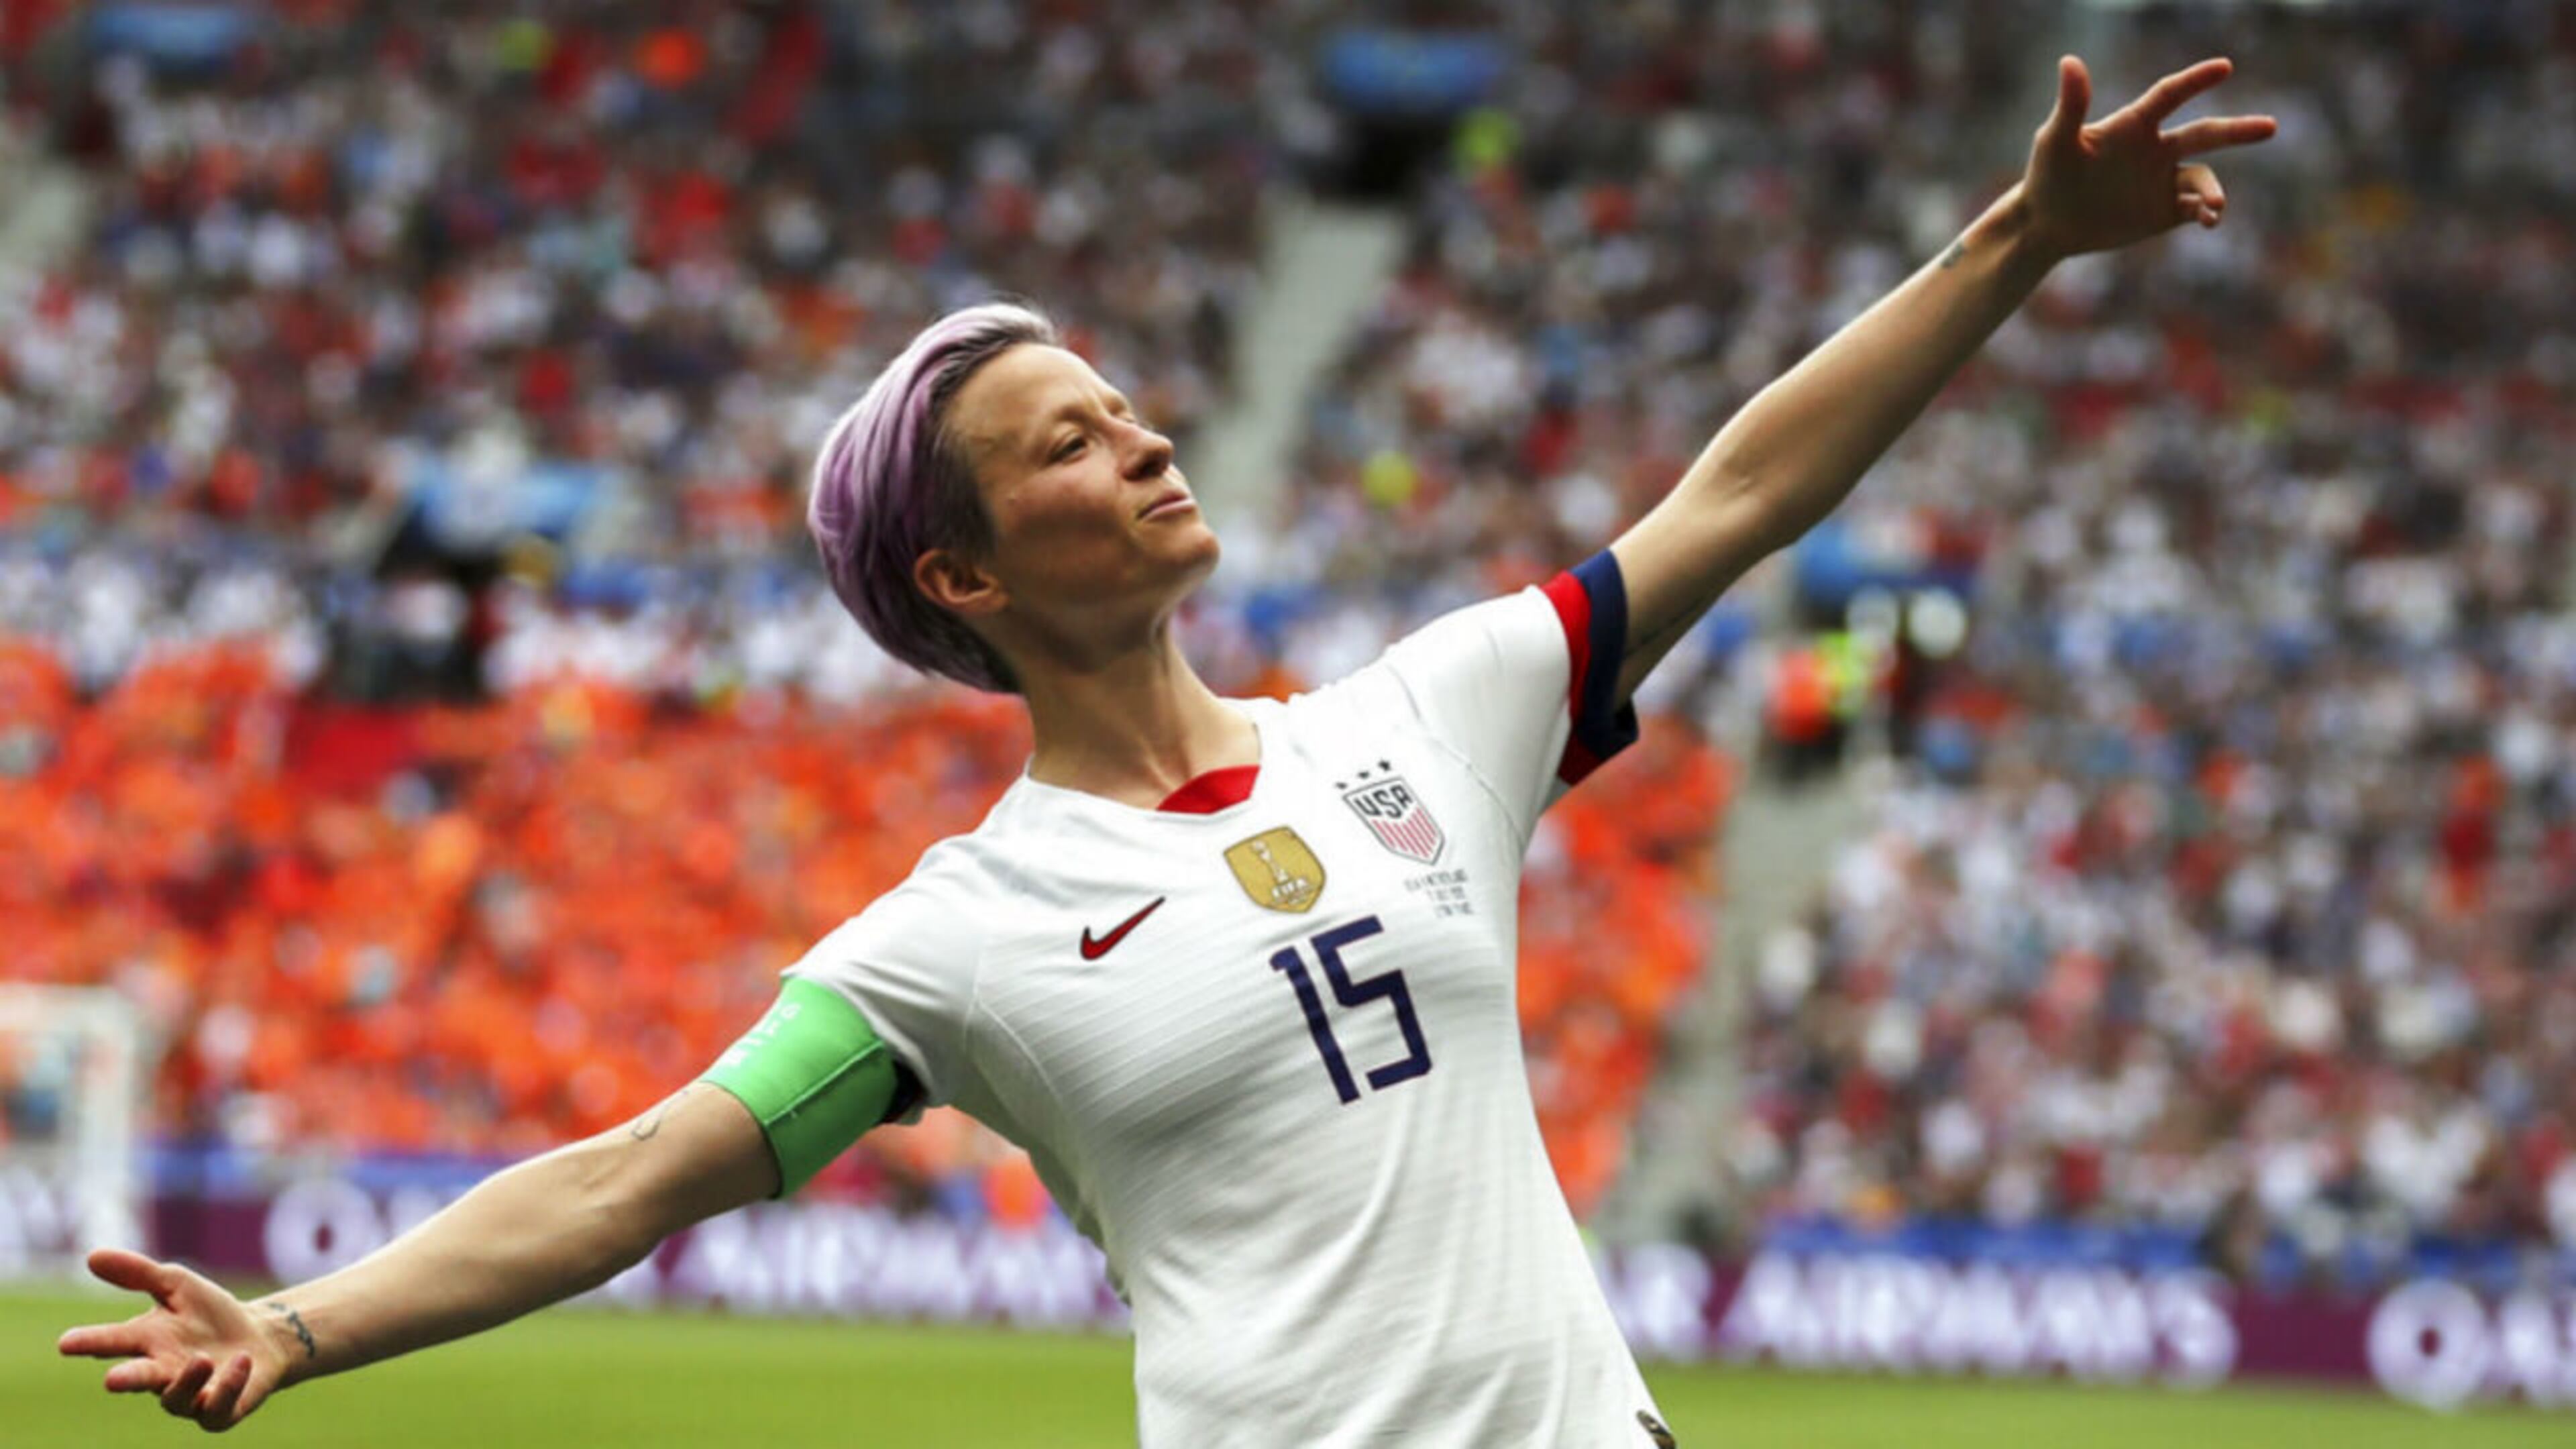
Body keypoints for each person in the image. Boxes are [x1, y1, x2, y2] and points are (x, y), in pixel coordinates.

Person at [57, 56, 2271, 1444]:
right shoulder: (955, 944)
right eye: (1064, 444)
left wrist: (2014, 244)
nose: (1140, 441)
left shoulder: (1437, 719)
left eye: (1126, 408)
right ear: (963, 577)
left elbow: (1739, 496)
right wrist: (305, 1330)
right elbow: (630, 1181)